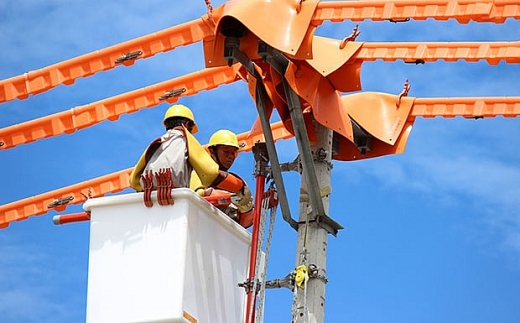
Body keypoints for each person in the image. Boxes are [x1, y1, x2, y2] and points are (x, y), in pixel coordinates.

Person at [129, 104, 252, 211]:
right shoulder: (187, 141)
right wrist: (239, 187)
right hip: (179, 202)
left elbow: (134, 180)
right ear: (187, 124)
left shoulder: (157, 143)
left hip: (154, 203)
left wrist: (151, 192)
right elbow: (209, 173)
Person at [190, 129, 254, 228]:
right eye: (226, 151)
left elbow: (244, 224)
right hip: (201, 227)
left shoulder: (237, 183)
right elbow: (196, 196)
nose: (230, 156)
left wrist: (247, 209)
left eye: (234, 153)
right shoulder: (199, 173)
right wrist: (228, 197)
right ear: (212, 151)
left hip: (225, 235)